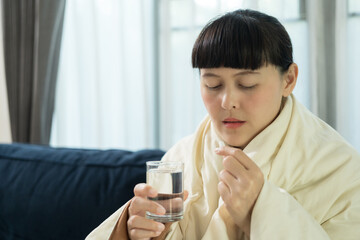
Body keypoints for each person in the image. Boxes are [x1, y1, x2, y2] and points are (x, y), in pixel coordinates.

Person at [87, 9, 360, 240]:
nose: (227, 101)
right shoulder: (181, 158)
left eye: (247, 84)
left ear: (288, 80)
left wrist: (261, 210)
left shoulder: (341, 169)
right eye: (212, 84)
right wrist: (138, 231)